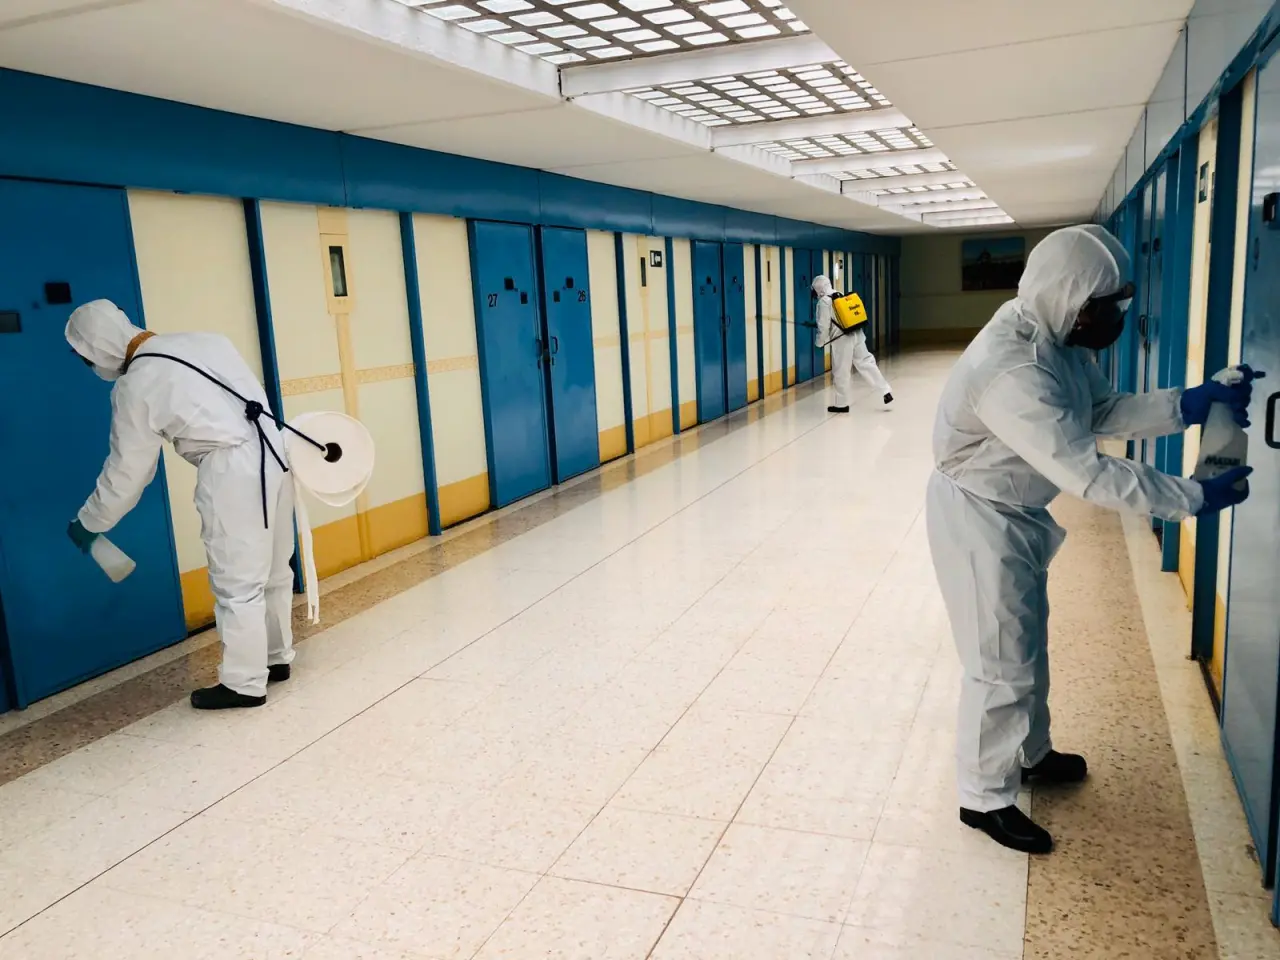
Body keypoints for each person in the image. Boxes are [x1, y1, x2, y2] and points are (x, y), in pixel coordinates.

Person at [926, 225, 1260, 855]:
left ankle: (1032, 753)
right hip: (979, 516)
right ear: (1068, 297)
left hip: (1018, 508)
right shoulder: (1012, 367)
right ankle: (983, 796)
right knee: (999, 661)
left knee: (1027, 644)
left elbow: (1098, 411)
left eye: (1117, 304)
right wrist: (1190, 497)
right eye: (1102, 308)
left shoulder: (1058, 336)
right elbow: (1086, 471)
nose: (1112, 319)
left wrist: (1186, 405)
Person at [65, 300, 297, 710]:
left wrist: (90, 521)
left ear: (97, 347)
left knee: (236, 582)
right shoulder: (207, 341)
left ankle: (244, 683)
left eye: (85, 358)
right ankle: (276, 657)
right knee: (276, 569)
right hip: (275, 451)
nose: (91, 367)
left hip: (229, 469)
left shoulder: (135, 385)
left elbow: (128, 472)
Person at [812, 274, 893, 412]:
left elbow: (823, 328)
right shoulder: (839, 294)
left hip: (842, 340)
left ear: (819, 289)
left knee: (841, 371)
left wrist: (818, 343)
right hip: (857, 334)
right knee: (867, 363)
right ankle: (885, 391)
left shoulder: (823, 302)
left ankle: (841, 404)